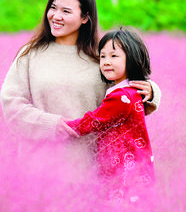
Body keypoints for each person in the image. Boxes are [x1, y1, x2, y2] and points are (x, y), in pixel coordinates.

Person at [0, 0, 161, 170]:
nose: (56, 16)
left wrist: (151, 91)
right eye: (53, 8)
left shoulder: (101, 57)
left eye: (66, 11)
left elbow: (125, 93)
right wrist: (50, 125)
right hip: (37, 166)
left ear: (85, 17)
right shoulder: (30, 54)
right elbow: (11, 104)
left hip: (88, 168)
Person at [64, 27, 155, 200]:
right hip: (134, 169)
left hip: (123, 173)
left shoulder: (122, 96)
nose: (106, 62)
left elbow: (94, 121)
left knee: (118, 210)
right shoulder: (131, 91)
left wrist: (65, 127)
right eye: (103, 56)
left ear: (132, 58)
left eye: (114, 56)